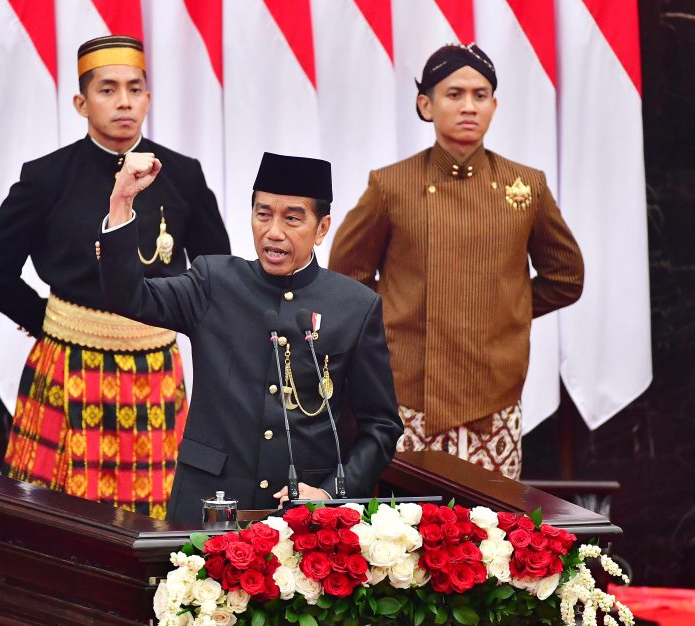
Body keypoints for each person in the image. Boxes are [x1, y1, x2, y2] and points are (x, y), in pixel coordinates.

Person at [0, 35, 230, 519]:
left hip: (155, 370)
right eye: (107, 90)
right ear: (81, 103)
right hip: (67, 364)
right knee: (53, 515)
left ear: (148, 98)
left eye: (134, 88)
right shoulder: (47, 177)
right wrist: (50, 322)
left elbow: (218, 273)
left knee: (156, 519)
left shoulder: (183, 175)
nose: (124, 101)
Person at [97, 151, 403, 523]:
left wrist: (329, 493)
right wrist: (122, 200)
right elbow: (128, 296)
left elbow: (381, 426)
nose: (273, 231)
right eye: (263, 214)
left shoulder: (355, 306)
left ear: (322, 228)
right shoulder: (214, 281)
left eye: (292, 218)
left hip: (299, 519)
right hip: (206, 507)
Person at [328, 43, 584, 480]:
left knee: (492, 521)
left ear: (494, 106)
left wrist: (505, 310)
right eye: (454, 94)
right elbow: (346, 279)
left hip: (493, 393)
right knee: (405, 520)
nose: (469, 106)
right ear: (425, 105)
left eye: (480, 95)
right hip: (407, 394)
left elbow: (565, 277)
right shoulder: (392, 185)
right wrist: (401, 317)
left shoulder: (527, 186)